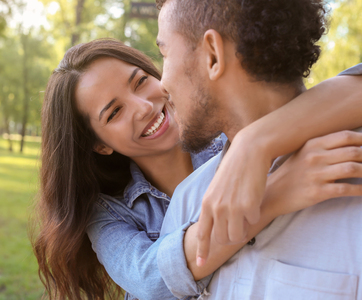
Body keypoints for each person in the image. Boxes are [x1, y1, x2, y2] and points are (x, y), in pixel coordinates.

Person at [30, 37, 362, 300]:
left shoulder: (234, 134)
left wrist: (255, 143)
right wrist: (272, 196)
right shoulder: (108, 212)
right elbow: (150, 281)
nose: (144, 107)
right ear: (100, 145)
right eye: (114, 112)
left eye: (140, 81)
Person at [154, 0, 362, 298]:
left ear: (212, 55)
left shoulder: (352, 166)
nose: (161, 84)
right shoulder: (187, 202)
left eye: (164, 53)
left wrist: (256, 142)